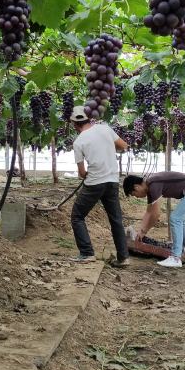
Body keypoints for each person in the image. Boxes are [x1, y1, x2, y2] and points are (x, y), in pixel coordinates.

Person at [69, 106, 130, 266]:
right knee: (116, 219)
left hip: (94, 183)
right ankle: (123, 257)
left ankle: (87, 253)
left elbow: (82, 173)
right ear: (90, 119)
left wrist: (89, 172)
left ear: (75, 124)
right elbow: (124, 146)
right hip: (112, 181)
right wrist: (109, 148)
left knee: (77, 216)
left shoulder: (79, 142)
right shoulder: (105, 129)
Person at [122, 171, 185, 268]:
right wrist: (141, 231)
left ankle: (176, 258)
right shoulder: (149, 184)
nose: (137, 197)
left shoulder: (153, 184)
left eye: (134, 194)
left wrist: (145, 231)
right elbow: (149, 212)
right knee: (180, 218)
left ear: (136, 187)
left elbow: (156, 214)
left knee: (175, 218)